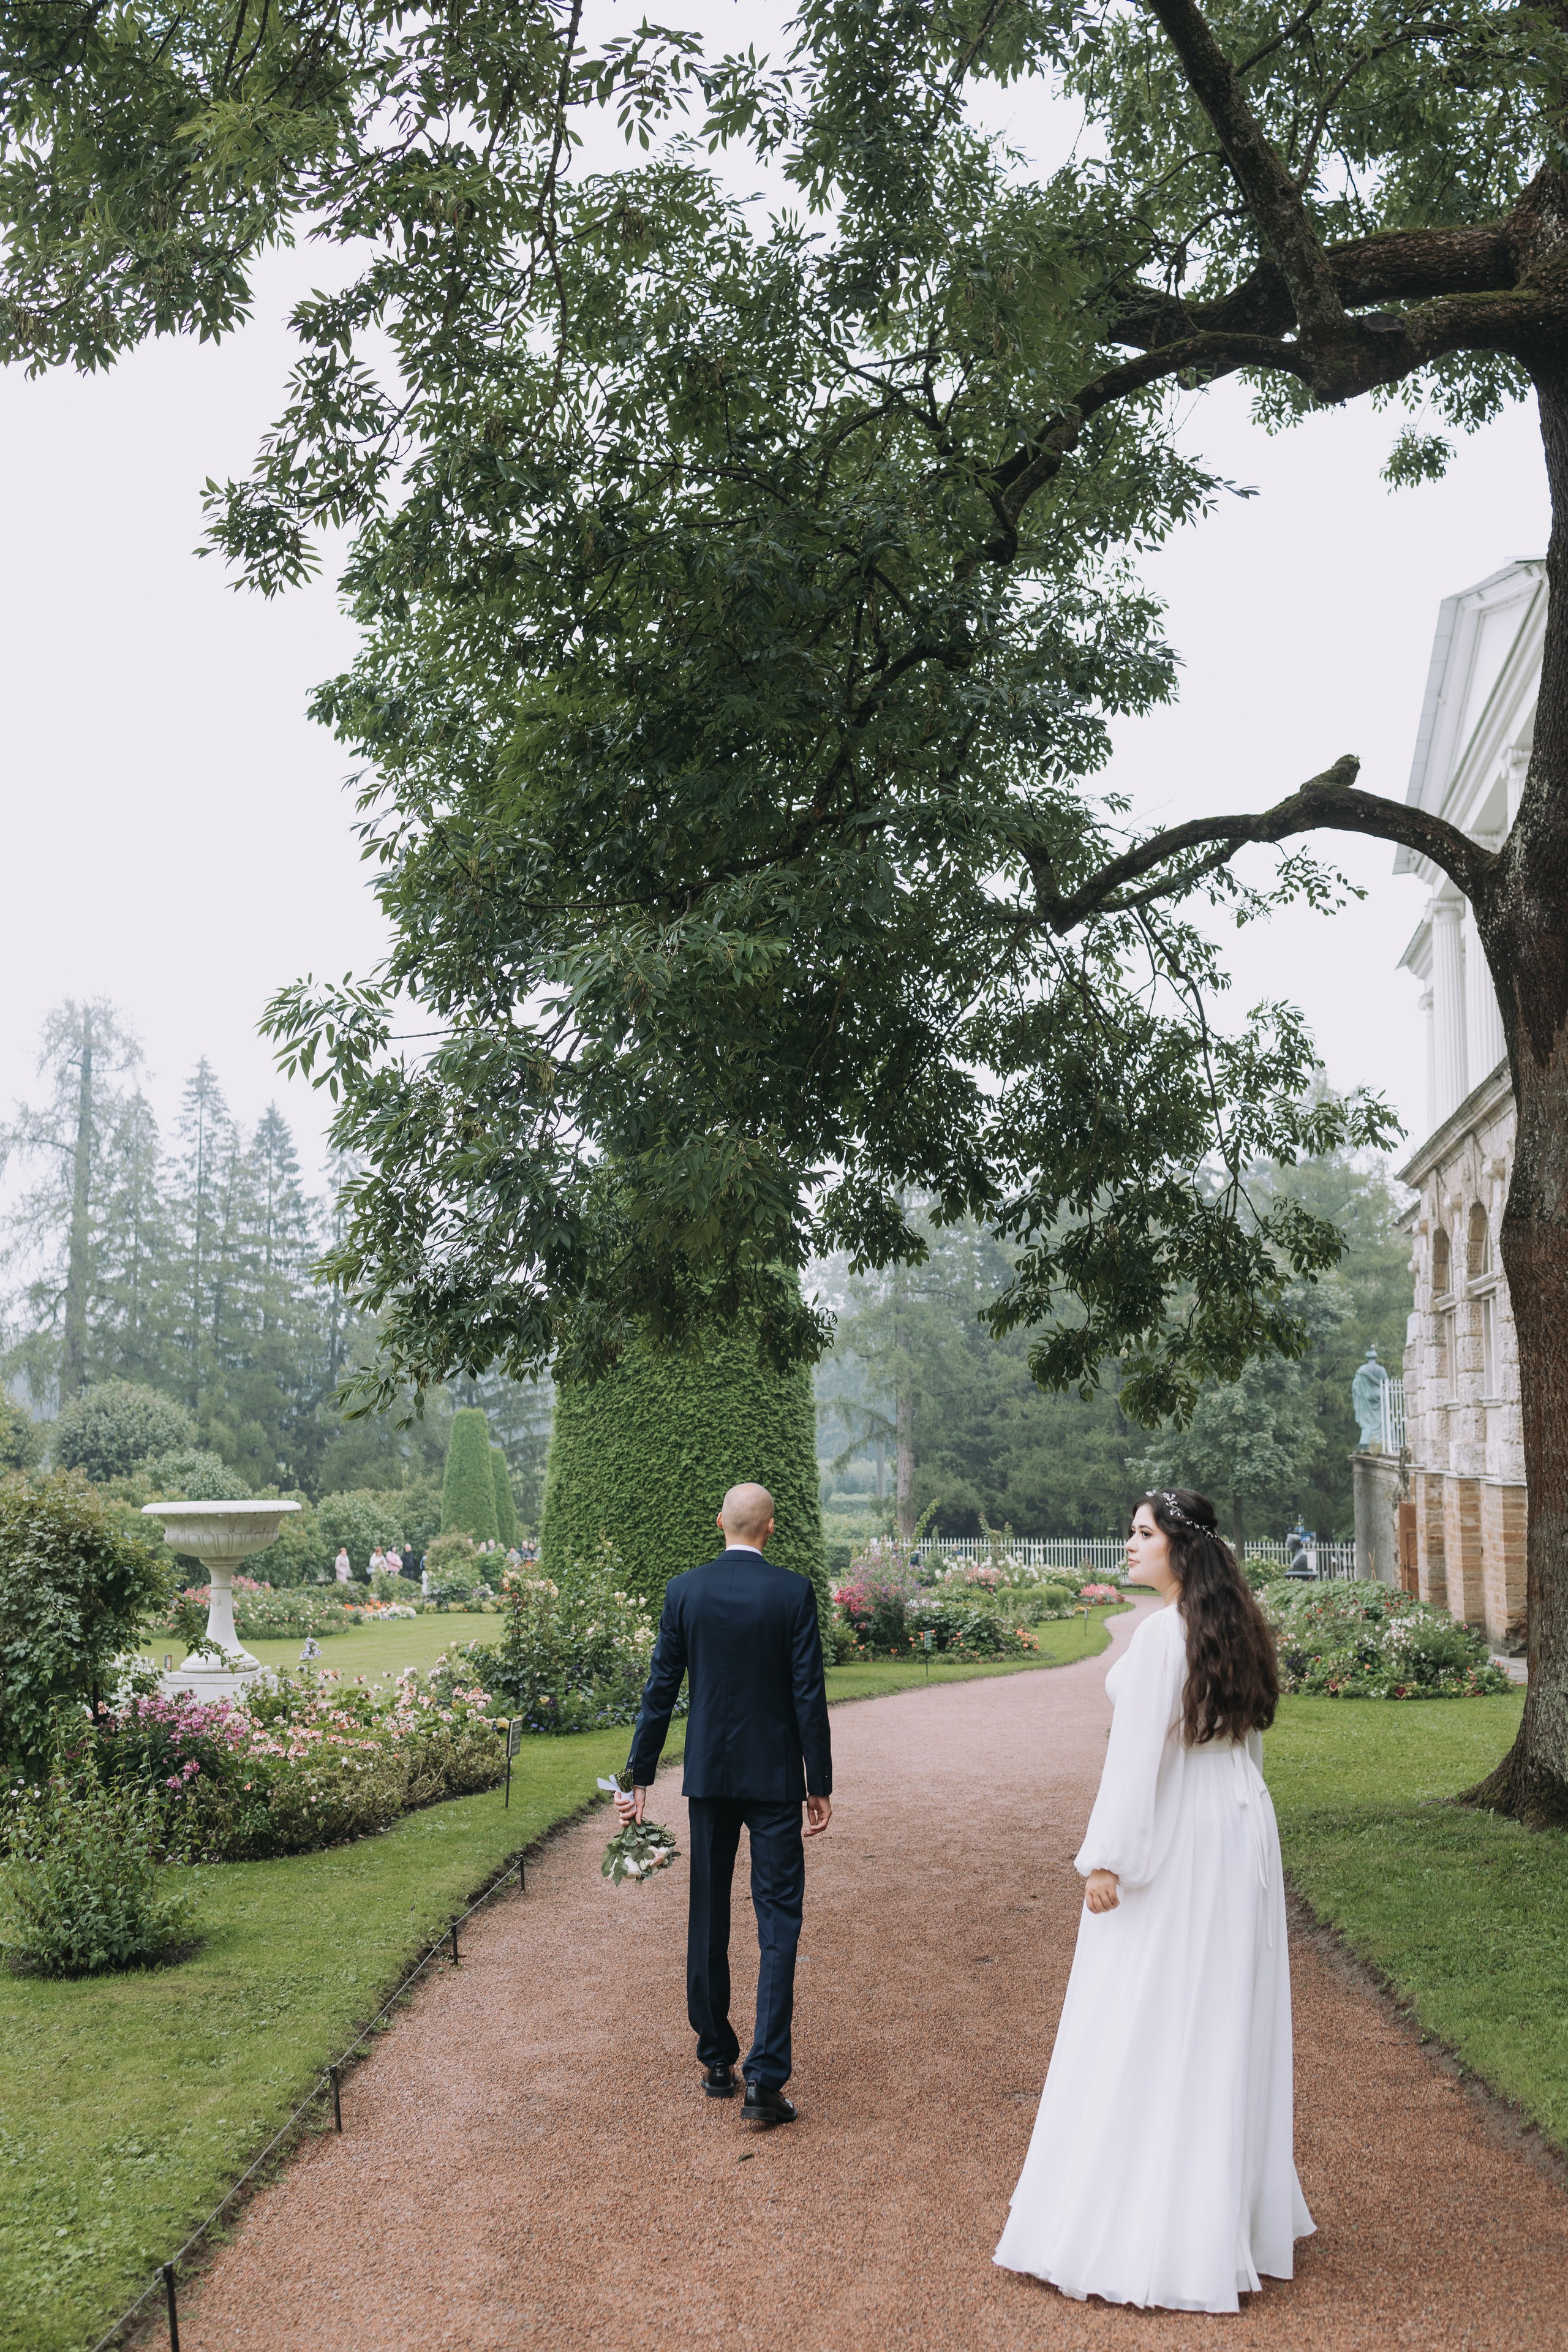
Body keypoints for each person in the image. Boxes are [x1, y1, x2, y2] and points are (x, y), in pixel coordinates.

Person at [994, 1488, 1313, 2313]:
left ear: (1180, 1546)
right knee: (1216, 2011)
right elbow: (1243, 1747)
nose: (1127, 1545)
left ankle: (1156, 2226)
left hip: (1180, 1831)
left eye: (1141, 1534)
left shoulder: (1164, 1637)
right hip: (1238, 1825)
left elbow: (1136, 1760)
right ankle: (1222, 2213)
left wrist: (1107, 1860)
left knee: (1148, 2009)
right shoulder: (1233, 1626)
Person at [618, 1481, 832, 2128]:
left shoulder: (685, 1591)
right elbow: (807, 1695)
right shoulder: (792, 1592)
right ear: (770, 1528)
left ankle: (716, 2058)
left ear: (721, 1523)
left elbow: (661, 1688)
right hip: (773, 1781)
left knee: (707, 1913)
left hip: (709, 1777)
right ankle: (765, 2080)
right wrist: (817, 1780)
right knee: (778, 1922)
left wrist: (637, 1774)